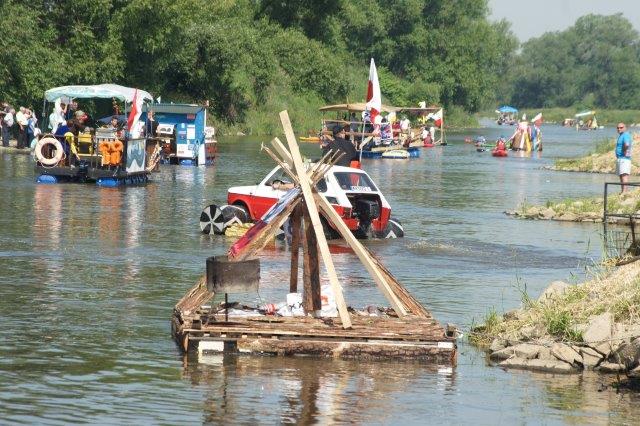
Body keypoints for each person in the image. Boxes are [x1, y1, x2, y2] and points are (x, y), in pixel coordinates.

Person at [615, 122, 632, 193]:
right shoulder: (621, 135)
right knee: (621, 175)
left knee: (624, 175)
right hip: (620, 158)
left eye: (621, 127)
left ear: (625, 128)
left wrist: (624, 150)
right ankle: (622, 191)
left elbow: (627, 144)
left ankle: (625, 192)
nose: (619, 129)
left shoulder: (626, 135)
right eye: (618, 128)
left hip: (624, 159)